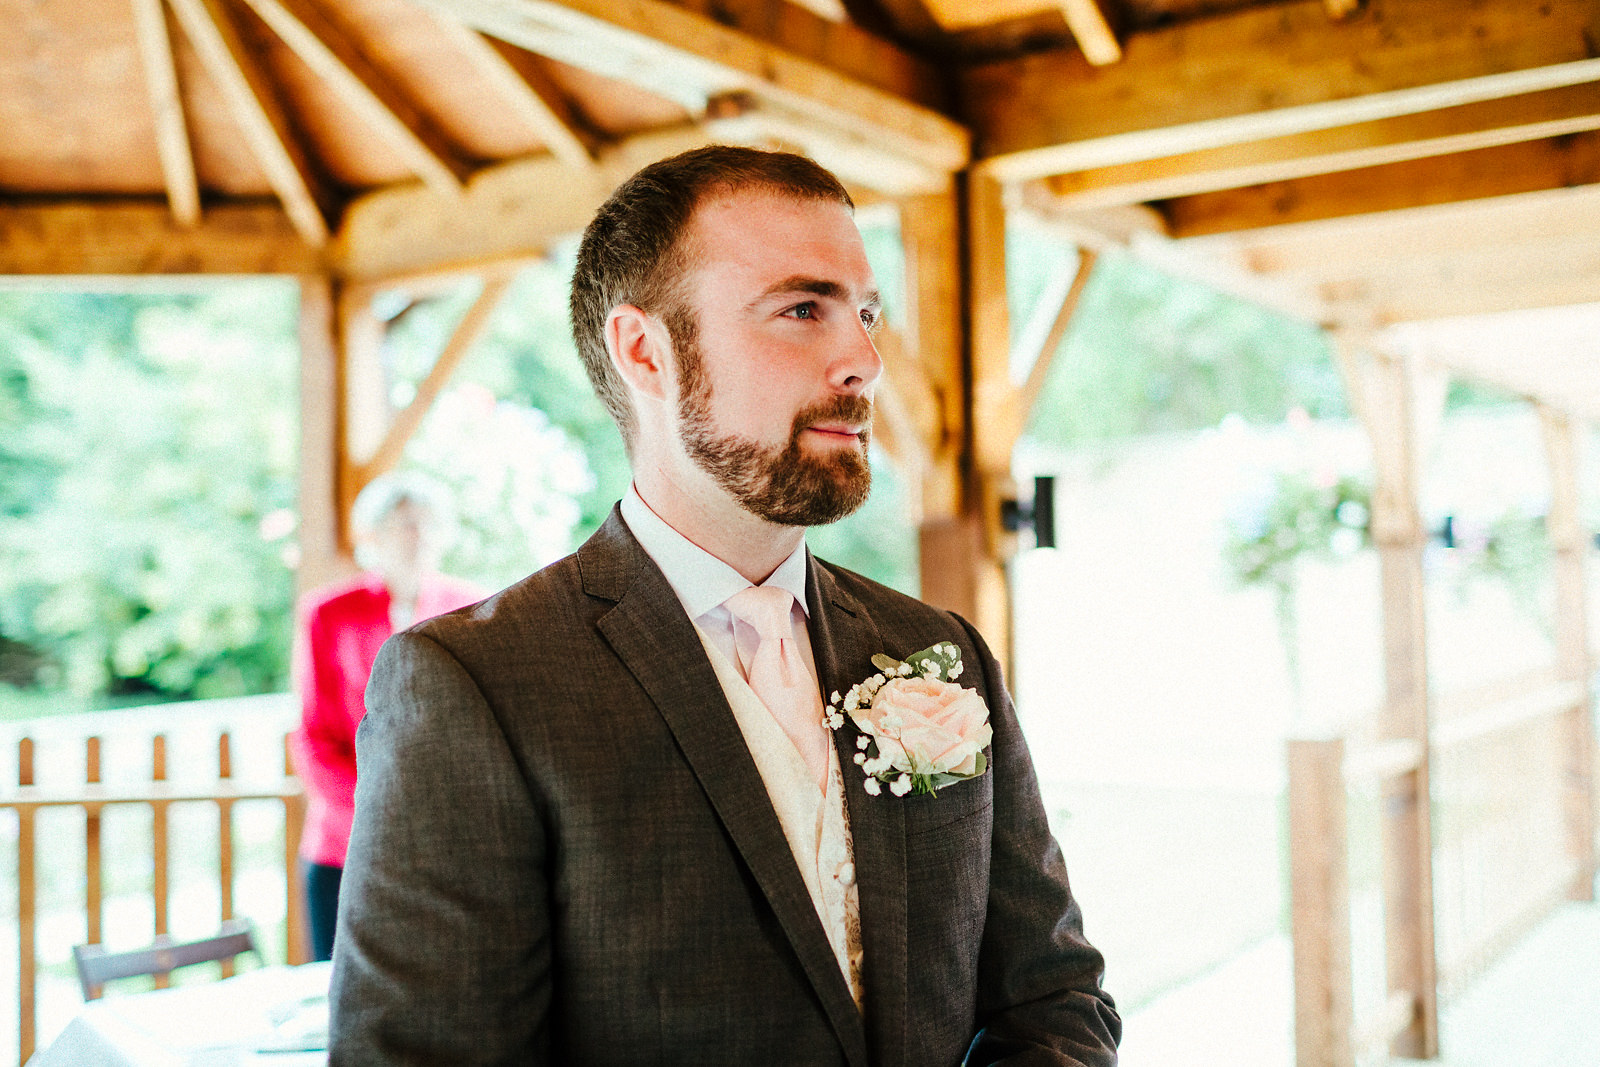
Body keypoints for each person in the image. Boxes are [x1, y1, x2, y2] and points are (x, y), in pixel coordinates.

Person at [330, 146, 1120, 1065]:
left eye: (866, 314)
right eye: (802, 309)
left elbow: (1054, 995)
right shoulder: (473, 686)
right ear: (646, 352)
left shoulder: (940, 651)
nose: (865, 361)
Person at [289, 473, 481, 963]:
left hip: (447, 849)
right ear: (372, 535)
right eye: (404, 524)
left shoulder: (476, 608)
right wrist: (379, 815)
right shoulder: (329, 613)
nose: (419, 536)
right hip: (346, 847)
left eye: (429, 524)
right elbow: (313, 736)